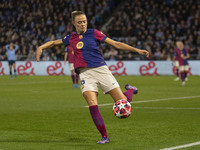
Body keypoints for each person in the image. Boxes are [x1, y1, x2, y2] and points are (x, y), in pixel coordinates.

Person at [36, 11, 149, 144]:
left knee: (123, 103)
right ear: (74, 24)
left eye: (84, 21)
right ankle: (104, 137)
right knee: (92, 104)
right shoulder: (70, 38)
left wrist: (137, 50)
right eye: (79, 22)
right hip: (85, 74)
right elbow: (55, 43)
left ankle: (130, 90)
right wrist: (41, 47)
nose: (83, 24)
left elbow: (115, 44)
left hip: (101, 70)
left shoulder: (94, 32)